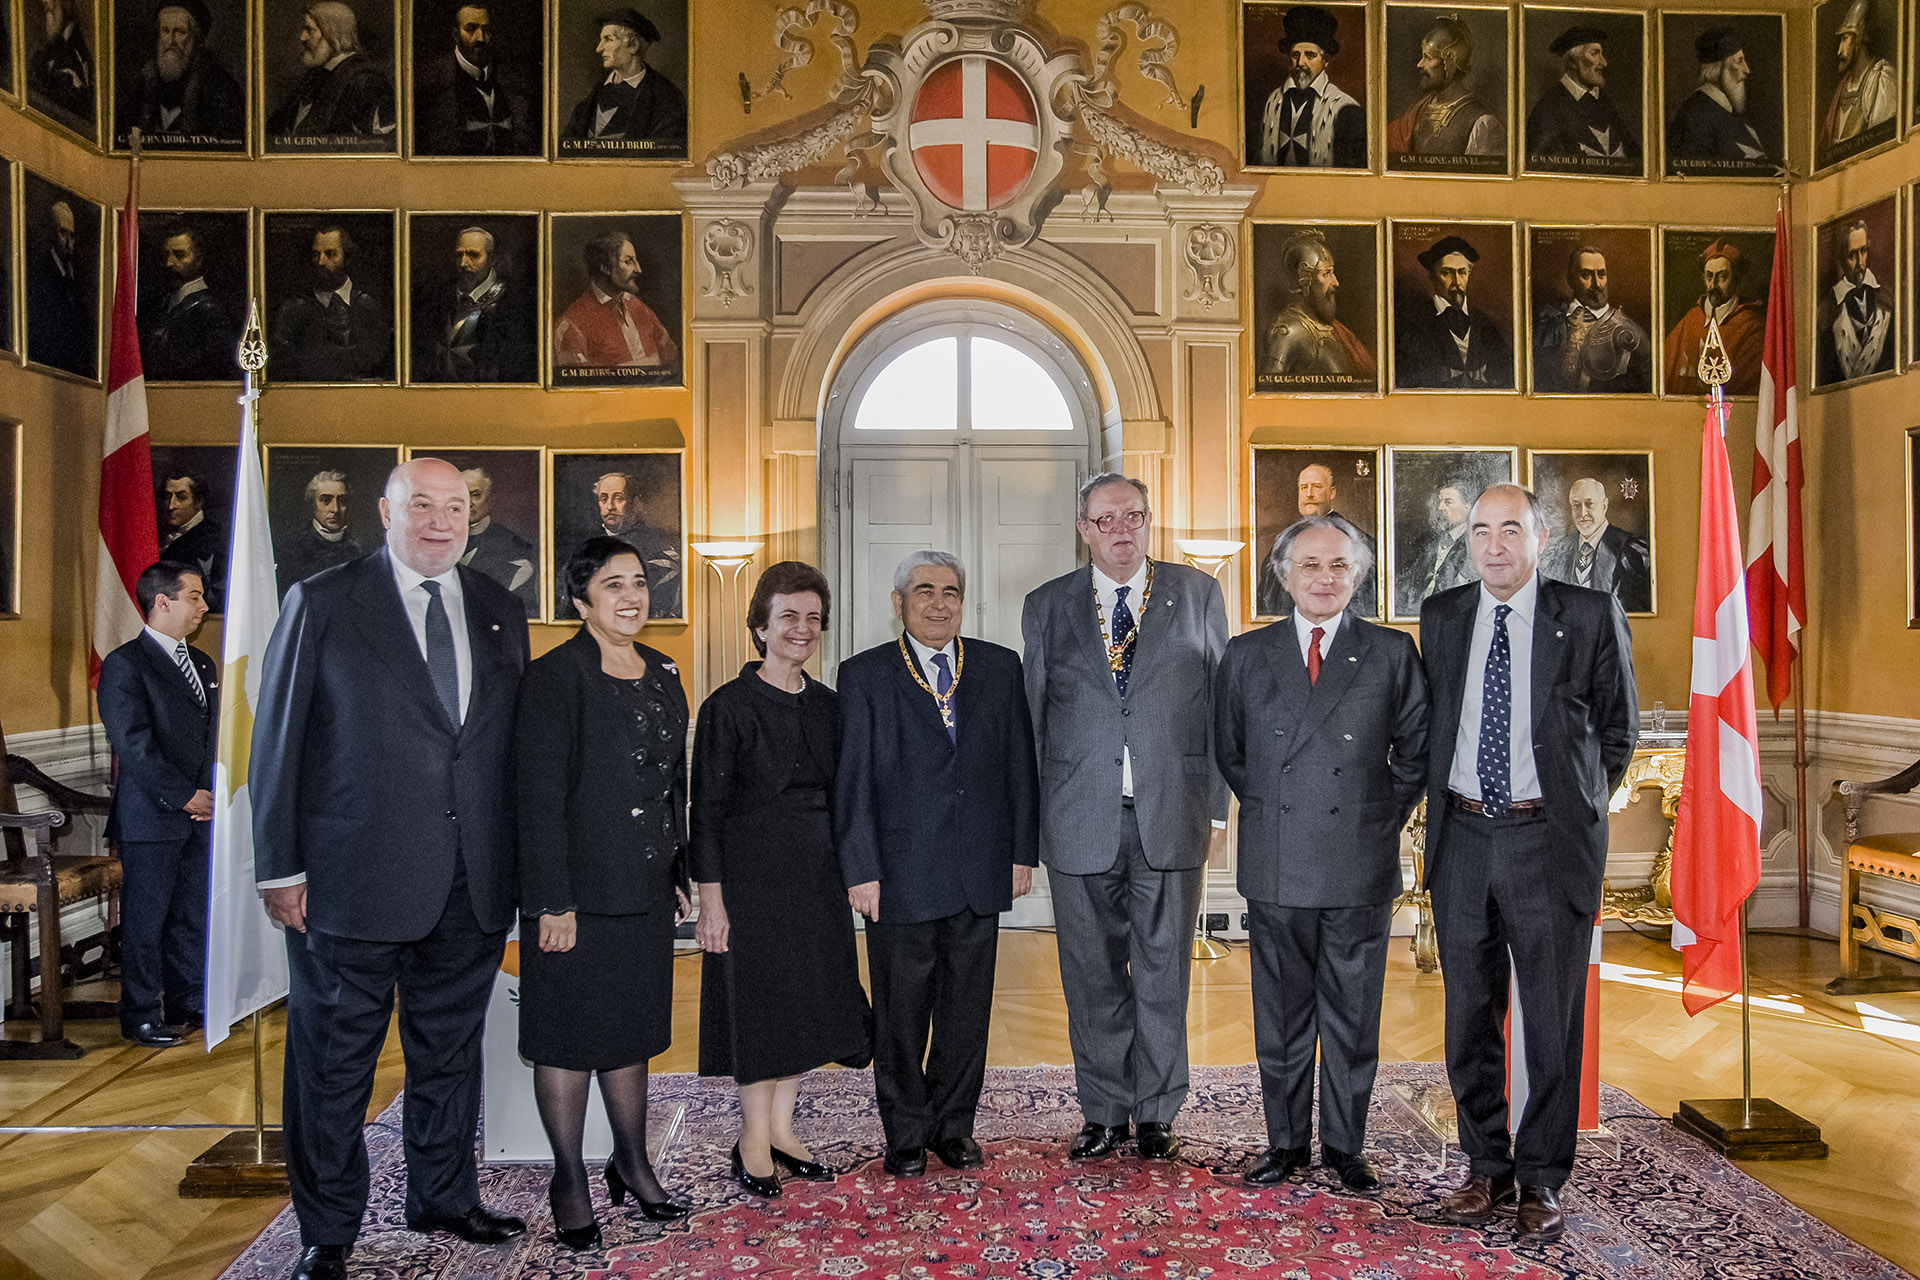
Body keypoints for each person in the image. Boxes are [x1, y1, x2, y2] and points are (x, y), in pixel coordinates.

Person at [251, 459, 532, 1280]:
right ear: (386, 512)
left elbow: (496, 750)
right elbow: (279, 743)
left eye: (455, 508)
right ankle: (329, 1228)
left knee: (449, 1057)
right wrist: (279, 868)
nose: (441, 522)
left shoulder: (497, 608)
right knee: (334, 1066)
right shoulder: (325, 602)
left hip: (470, 882)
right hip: (348, 882)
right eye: (423, 507)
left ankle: (442, 1195)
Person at [1419, 483, 1637, 1244]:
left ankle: (1542, 1177)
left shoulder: (1584, 614)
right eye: (1482, 530)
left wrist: (1566, 807)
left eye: (1511, 529)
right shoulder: (1442, 616)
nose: (1495, 545)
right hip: (1463, 840)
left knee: (1551, 1022)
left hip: (1547, 844)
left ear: (1540, 538)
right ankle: (1485, 1168)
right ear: (1469, 541)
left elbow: (1618, 731)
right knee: (1468, 1020)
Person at [1215, 517, 1427, 1192]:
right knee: (1279, 1016)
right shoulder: (1246, 656)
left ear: (1358, 575)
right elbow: (1232, 754)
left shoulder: (1392, 653)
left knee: (1352, 1015)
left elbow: (1415, 753)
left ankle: (1343, 1145)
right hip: (1277, 862)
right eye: (1310, 566)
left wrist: (1372, 815)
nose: (1325, 578)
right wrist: (1280, 812)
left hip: (1358, 862)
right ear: (1284, 575)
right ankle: (1284, 1145)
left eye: (1339, 565)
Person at [1021, 476, 1226, 1162]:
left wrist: (1220, 811)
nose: (1121, 529)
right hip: (1079, 819)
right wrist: (1031, 826)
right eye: (1105, 519)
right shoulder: (1047, 606)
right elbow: (1033, 721)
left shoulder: (1197, 594)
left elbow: (1222, 711)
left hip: (1173, 814)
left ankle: (1158, 1112)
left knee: (1165, 972)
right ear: (1083, 528)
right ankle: (1105, 1111)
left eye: (1133, 515)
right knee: (1091, 973)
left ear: (1147, 520)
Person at [835, 550, 1039, 1178]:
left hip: (980, 869)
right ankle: (904, 1132)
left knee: (966, 1011)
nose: (939, 602)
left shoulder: (1000, 668)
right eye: (924, 591)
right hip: (898, 874)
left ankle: (954, 1127)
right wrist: (859, 867)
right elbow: (854, 782)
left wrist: (1020, 854)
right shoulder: (864, 674)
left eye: (950, 591)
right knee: (900, 1013)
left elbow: (1020, 768)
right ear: (899, 603)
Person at [513, 536, 692, 1249]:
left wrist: (678, 871)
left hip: (644, 887)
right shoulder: (555, 677)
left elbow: (670, 783)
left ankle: (632, 1161)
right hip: (574, 898)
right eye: (613, 584)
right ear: (581, 599)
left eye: (640, 582)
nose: (632, 596)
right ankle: (569, 1177)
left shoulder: (665, 670)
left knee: (631, 1032)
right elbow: (538, 796)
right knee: (566, 1038)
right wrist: (550, 900)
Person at [694, 561, 872, 1196]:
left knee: (808, 1004)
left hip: (817, 881)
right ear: (761, 627)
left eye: (813, 619)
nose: (802, 629)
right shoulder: (727, 708)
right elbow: (705, 813)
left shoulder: (831, 706)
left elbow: (852, 799)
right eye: (789, 617)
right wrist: (710, 902)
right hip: (749, 884)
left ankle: (782, 1130)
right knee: (761, 1009)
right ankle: (750, 1139)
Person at [97, 561, 218, 1048]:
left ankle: (185, 1001)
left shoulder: (203, 664)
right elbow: (133, 743)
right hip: (152, 816)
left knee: (191, 914)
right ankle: (141, 1014)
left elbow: (209, 740)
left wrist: (208, 796)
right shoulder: (125, 664)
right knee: (147, 921)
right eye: (194, 597)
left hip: (199, 813)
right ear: (162, 602)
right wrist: (184, 795)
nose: (204, 606)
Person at [412, 226, 534, 383]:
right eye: (459, 255)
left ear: (492, 260)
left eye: (473, 255)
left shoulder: (514, 303)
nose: (463, 263)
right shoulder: (436, 298)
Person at [271, 224, 392, 382]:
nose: (320, 262)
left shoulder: (370, 305)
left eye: (330, 254)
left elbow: (377, 359)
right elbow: (287, 365)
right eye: (316, 254)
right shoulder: (294, 308)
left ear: (347, 258)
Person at [556, 469, 680, 619]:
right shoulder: (587, 543)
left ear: (634, 503)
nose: (610, 507)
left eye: (618, 498)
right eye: (604, 499)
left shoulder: (655, 544)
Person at [414, 2, 536, 156]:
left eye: (486, 30)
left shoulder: (515, 82)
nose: (480, 38)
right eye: (470, 29)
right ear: (455, 35)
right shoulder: (430, 82)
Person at [1394, 234, 1513, 391]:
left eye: (1462, 272)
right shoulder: (1412, 323)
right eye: (1447, 273)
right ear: (1433, 277)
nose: (1457, 282)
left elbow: (1506, 375)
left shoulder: (1484, 323)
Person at [552, 229, 680, 371]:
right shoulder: (571, 325)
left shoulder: (639, 307)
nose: (639, 269)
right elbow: (580, 387)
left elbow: (672, 361)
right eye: (628, 261)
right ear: (605, 267)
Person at [1260, 463, 1378, 617]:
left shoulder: (1354, 540)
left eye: (1316, 487)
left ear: (1332, 492)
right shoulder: (1285, 541)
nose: (1309, 494)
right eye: (1304, 488)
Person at [266, 0, 395, 139]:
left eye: (309, 30)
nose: (302, 37)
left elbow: (377, 143)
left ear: (333, 34)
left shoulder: (366, 80)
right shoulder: (313, 77)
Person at [1531, 245, 1651, 394]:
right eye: (1586, 275)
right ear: (1570, 280)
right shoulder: (1548, 324)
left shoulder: (1631, 334)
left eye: (1601, 274)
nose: (1597, 284)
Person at [1260, 228, 1375, 382]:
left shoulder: (1333, 328)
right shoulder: (1287, 332)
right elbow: (1269, 388)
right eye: (1326, 274)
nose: (1335, 282)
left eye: (1332, 273)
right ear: (1304, 282)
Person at [561, 7, 685, 148]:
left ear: (633, 45)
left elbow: (665, 154)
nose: (599, 48)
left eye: (608, 39)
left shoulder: (667, 99)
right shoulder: (592, 98)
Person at [1257, 6, 1364, 168]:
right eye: (1295, 55)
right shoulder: (1272, 102)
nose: (1301, 63)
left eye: (1310, 55)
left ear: (1326, 60)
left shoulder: (1346, 109)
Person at [127, 0, 245, 142]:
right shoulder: (145, 83)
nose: (171, 41)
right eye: (165, 31)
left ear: (197, 39)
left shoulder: (222, 88)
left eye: (180, 32)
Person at [1386, 17, 1503, 159]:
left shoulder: (1483, 122)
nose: (1420, 64)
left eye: (1428, 58)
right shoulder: (1417, 110)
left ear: (1449, 61)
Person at [139, 220, 240, 382]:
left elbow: (218, 370)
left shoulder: (210, 309)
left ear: (198, 260)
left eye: (180, 255)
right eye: (166, 255)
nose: (169, 263)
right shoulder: (163, 304)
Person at [1664, 239, 1764, 397]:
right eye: (1709, 277)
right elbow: (1666, 370)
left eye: (1722, 277)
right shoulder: (1691, 319)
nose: (1713, 285)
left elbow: (1748, 385)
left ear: (1736, 279)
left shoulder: (1752, 326)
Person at [1525, 26, 1636, 168]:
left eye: (1601, 54)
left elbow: (1634, 157)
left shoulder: (1604, 102)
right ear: (1573, 63)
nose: (1604, 63)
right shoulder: (1548, 108)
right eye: (1595, 54)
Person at [1540, 478, 1652, 613]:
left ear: (1604, 506)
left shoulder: (1631, 550)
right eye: (1576, 505)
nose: (1582, 513)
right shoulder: (1561, 548)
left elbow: (1634, 611)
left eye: (1589, 504)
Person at [1665, 26, 1769, 168]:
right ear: (1717, 69)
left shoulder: (1728, 111)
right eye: (1739, 62)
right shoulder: (1696, 115)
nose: (1747, 70)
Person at [1818, 218, 1894, 385]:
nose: (1860, 262)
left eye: (1863, 252)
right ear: (1841, 258)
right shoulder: (1826, 311)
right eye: (1852, 255)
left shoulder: (1888, 299)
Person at [456, 467, 536, 614]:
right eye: (461, 495)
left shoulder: (513, 547)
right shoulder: (439, 541)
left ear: (491, 499)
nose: (468, 502)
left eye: (475, 495)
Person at [28, 197, 93, 379]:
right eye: (63, 234)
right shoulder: (40, 273)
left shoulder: (78, 275)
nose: (68, 242)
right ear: (52, 234)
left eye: (72, 236)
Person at [1820, 0, 1895, 153]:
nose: (1839, 51)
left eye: (1844, 39)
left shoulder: (1881, 77)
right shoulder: (1844, 85)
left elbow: (1881, 142)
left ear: (1859, 38)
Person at [275, 470, 361, 594]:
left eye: (342, 501)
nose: (335, 509)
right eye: (326, 500)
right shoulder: (290, 549)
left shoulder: (360, 550)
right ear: (312, 504)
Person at [1404, 480, 1475, 614]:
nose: (1440, 508)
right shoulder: (1426, 541)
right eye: (1439, 502)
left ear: (1467, 508)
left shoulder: (1474, 543)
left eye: (1448, 502)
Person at [160, 470, 227, 610]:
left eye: (181, 497)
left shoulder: (213, 539)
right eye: (167, 497)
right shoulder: (160, 533)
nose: (171, 506)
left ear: (198, 502)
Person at [30, 0, 93, 121]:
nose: (48, 16)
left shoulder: (75, 50)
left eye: (50, 10)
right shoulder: (44, 53)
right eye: (45, 9)